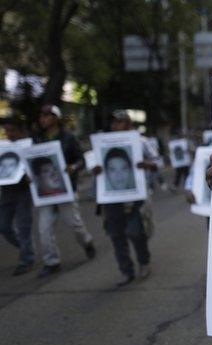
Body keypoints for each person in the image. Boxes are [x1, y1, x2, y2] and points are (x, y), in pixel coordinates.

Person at [93, 110, 158, 286]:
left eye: (119, 122)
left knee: (136, 232)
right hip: (111, 199)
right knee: (116, 235)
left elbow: (157, 162)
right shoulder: (102, 143)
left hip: (136, 197)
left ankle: (144, 262)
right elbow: (92, 166)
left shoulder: (141, 141)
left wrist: (147, 164)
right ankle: (126, 271)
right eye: (113, 123)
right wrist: (96, 170)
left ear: (128, 123)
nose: (115, 126)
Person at [34, 104, 96, 278]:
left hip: (65, 189)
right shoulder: (37, 139)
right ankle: (51, 262)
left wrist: (73, 167)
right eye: (41, 116)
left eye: (47, 116)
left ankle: (87, 242)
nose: (43, 119)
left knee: (74, 224)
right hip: (45, 191)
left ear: (55, 118)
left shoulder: (68, 138)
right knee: (44, 228)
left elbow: (80, 160)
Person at [0, 117, 35, 276]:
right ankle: (26, 248)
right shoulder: (3, 147)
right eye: (6, 130)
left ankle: (26, 259)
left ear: (21, 131)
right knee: (4, 226)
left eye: (12, 130)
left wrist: (30, 175)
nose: (8, 134)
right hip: (6, 191)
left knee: (23, 226)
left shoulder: (29, 146)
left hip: (23, 191)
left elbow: (37, 166)